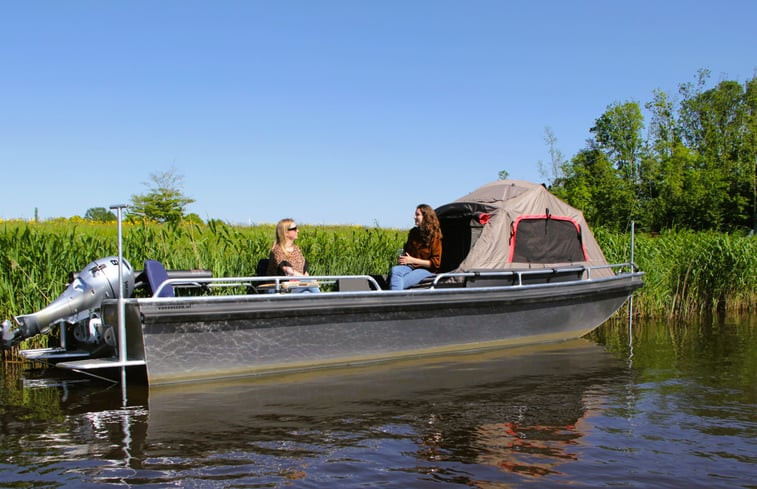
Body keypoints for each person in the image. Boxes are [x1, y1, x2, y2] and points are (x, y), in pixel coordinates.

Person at [389, 204, 443, 290]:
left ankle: (395, 301)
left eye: (417, 215)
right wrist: (404, 258)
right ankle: (396, 298)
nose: (414, 217)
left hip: (426, 269)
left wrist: (412, 260)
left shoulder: (435, 236)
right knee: (395, 270)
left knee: (399, 281)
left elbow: (436, 264)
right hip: (410, 266)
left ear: (426, 217)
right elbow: (408, 252)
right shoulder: (413, 233)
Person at [266, 218, 319, 293]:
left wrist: (308, 280)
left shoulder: (296, 249)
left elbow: (304, 271)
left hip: (295, 285)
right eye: (294, 229)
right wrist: (307, 280)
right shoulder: (277, 250)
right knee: (310, 283)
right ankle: (324, 301)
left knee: (306, 293)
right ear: (286, 232)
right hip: (278, 287)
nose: (298, 231)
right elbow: (289, 271)